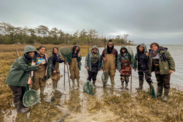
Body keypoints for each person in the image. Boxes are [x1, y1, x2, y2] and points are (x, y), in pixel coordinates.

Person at [6, 46, 40, 113]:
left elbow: (35, 62)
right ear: (26, 53)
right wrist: (37, 66)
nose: (32, 53)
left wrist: (38, 62)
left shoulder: (29, 60)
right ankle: (19, 109)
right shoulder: (20, 60)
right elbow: (26, 68)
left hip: (22, 80)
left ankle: (23, 105)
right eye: (30, 52)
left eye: (33, 52)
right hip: (15, 80)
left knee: (24, 93)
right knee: (18, 94)